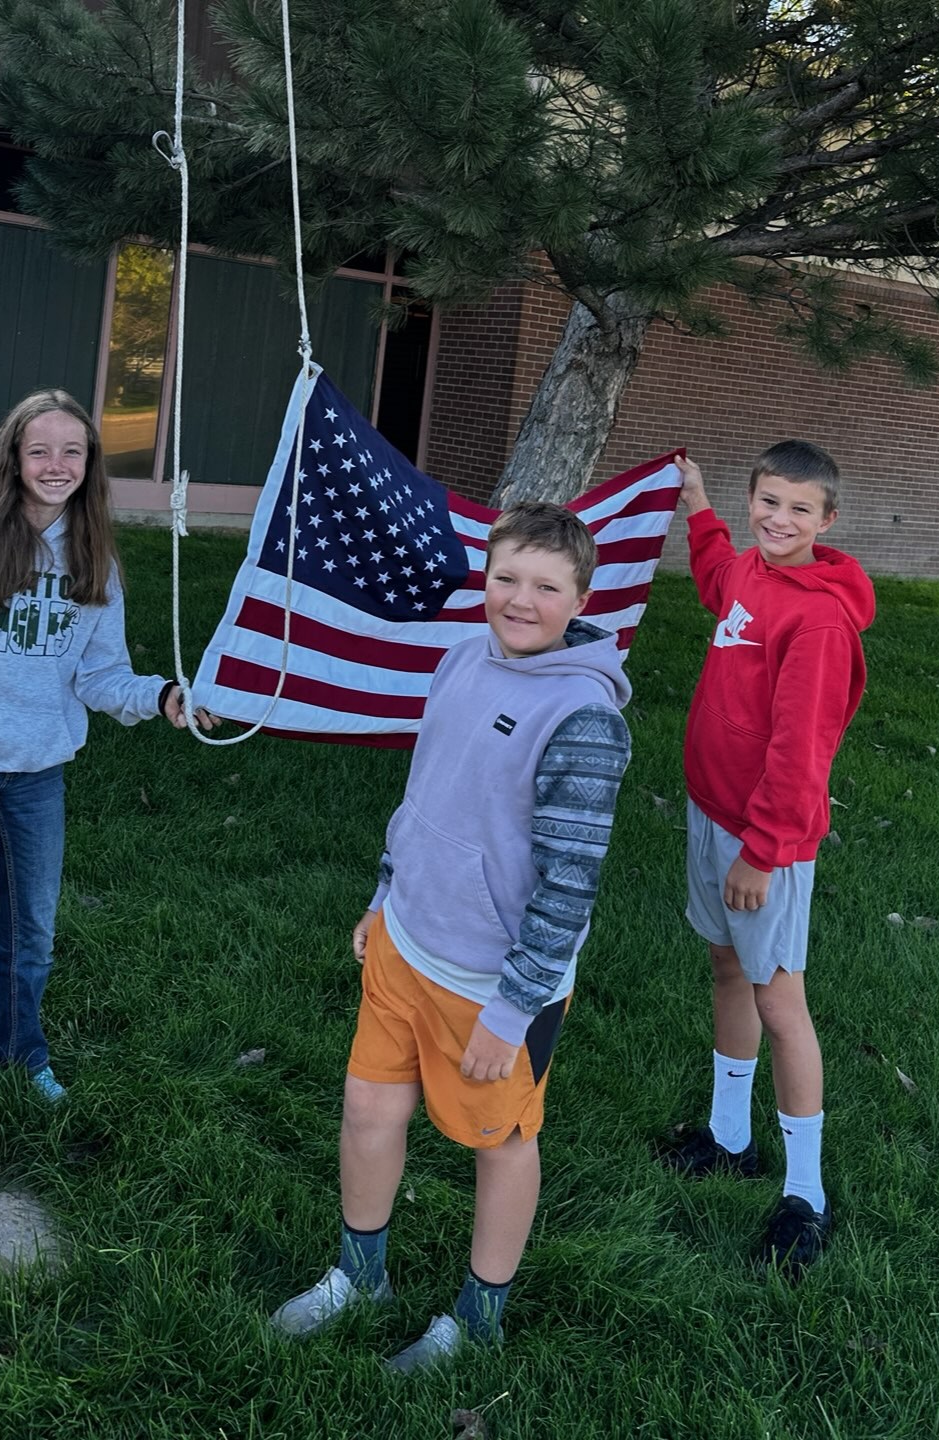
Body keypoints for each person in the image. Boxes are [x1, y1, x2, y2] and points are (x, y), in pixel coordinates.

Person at [270, 501, 631, 1371]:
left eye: (545, 586)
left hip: (494, 984)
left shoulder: (584, 719)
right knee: (367, 1107)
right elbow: (427, 794)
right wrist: (384, 892)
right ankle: (361, 1274)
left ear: (579, 595)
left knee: (501, 1143)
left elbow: (570, 883)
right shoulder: (462, 659)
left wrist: (514, 1009)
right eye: (506, 577)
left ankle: (477, 1320)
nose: (519, 599)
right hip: (405, 943)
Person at [0, 389, 210, 1168]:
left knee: (31, 936)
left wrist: (160, 696)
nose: (57, 465)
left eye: (74, 452)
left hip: (38, 776)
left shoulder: (92, 555)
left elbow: (102, 676)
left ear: (90, 464)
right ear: (13, 456)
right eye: (42, 451)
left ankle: (20, 1055)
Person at [663, 442, 875, 1277]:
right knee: (727, 969)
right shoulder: (750, 569)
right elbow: (720, 579)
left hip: (764, 840)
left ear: (827, 521)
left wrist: (760, 852)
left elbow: (801, 752)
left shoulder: (818, 619)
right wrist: (700, 506)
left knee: (779, 997)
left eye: (798, 509)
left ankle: (806, 1195)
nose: (777, 520)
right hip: (712, 811)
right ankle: (729, 1137)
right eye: (767, 502)